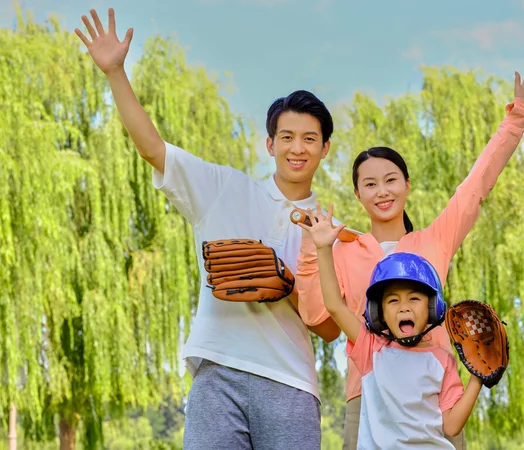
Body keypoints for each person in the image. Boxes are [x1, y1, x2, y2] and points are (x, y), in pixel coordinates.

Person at [75, 8, 340, 449]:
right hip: (217, 370)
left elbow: (331, 328)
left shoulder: (331, 231)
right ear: (270, 144)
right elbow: (153, 149)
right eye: (287, 137)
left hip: (290, 382)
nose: (298, 148)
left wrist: (287, 283)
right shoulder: (223, 189)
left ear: (325, 148)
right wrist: (116, 73)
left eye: (310, 138)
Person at [295, 68, 524, 449]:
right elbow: (317, 315)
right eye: (370, 183)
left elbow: (477, 185)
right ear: (358, 193)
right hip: (368, 396)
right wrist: (313, 246)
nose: (382, 191)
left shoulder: (434, 240)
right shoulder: (341, 248)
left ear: (407, 185)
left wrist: (518, 115)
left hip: (435, 394)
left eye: (391, 179)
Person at [296, 240, 483, 448]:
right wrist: (323, 247)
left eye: (414, 299)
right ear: (380, 313)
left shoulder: (443, 361)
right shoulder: (372, 349)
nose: (404, 308)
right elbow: (334, 305)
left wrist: (477, 379)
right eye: (393, 301)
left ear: (431, 307)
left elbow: (451, 426)